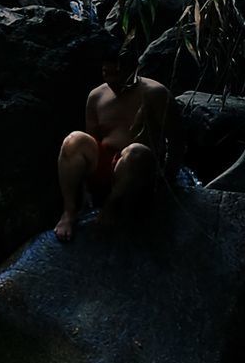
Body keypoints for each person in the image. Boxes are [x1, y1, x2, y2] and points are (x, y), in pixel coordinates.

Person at [53, 38, 183, 242]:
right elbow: (92, 139)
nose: (112, 79)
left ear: (134, 69)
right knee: (74, 140)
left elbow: (176, 140)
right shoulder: (96, 96)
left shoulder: (156, 93)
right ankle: (69, 211)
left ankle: (112, 206)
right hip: (106, 166)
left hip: (138, 169)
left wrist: (169, 182)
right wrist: (86, 188)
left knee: (135, 152)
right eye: (106, 73)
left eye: (118, 73)